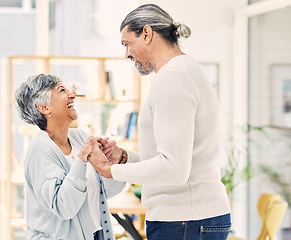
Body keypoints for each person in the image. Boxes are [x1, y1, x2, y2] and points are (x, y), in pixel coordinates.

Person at [88, 4, 231, 240]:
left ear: (146, 33)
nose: (126, 54)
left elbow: (174, 170)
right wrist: (124, 157)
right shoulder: (183, 70)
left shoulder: (173, 79)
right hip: (191, 219)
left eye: (127, 44)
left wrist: (111, 170)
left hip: (185, 220)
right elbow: (174, 158)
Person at [14, 74, 126, 240]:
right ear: (44, 108)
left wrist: (111, 163)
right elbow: (64, 206)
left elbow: (108, 191)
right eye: (62, 90)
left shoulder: (80, 137)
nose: (72, 95)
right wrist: (81, 161)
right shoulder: (40, 150)